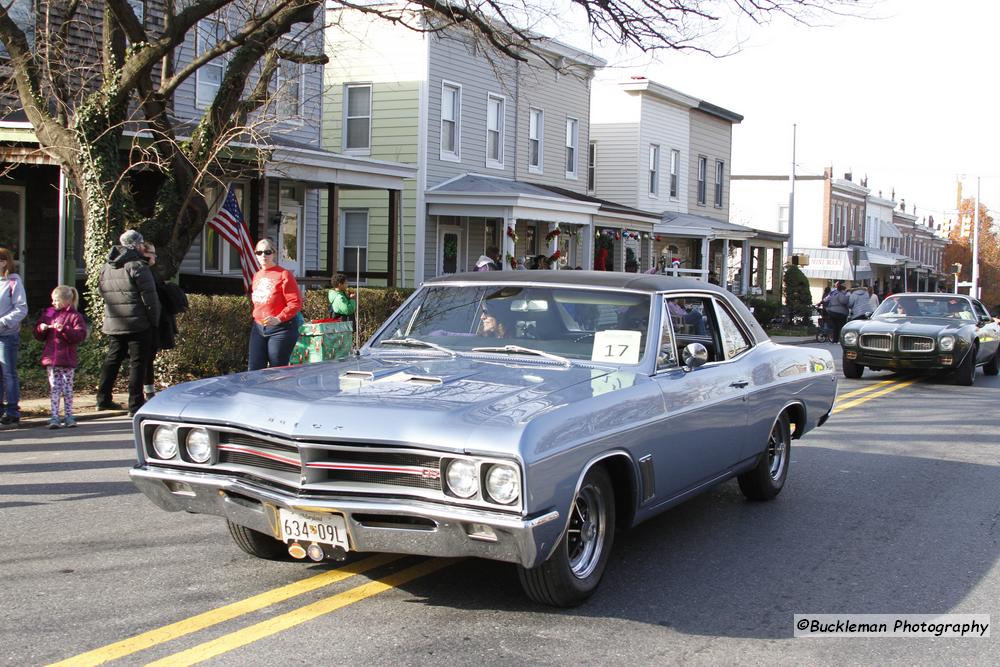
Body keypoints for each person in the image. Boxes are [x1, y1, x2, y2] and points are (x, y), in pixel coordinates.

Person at [97, 229, 161, 415]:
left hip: (114, 321)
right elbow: (150, 298)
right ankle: (135, 404)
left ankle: (103, 398)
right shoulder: (138, 266)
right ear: (136, 245)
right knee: (137, 363)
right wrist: (154, 321)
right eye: (141, 243)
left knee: (113, 359)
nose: (143, 246)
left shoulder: (107, 267)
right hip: (138, 323)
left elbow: (102, 291)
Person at [34, 285, 88, 428]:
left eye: (57, 301)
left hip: (67, 359)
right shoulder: (50, 313)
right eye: (53, 300)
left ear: (67, 301)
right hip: (52, 358)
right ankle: (54, 416)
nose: (53, 303)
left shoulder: (75, 316)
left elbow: (80, 335)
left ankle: (69, 415)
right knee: (54, 388)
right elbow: (38, 333)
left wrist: (64, 329)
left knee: (67, 388)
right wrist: (41, 328)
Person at [139, 243, 187, 400]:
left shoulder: (150, 272)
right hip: (149, 323)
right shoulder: (145, 272)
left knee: (147, 359)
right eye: (152, 253)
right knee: (144, 360)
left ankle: (148, 390)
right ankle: (145, 392)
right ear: (145, 254)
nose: (155, 257)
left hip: (154, 322)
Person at [249, 238, 302, 370]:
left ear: (274, 253)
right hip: (259, 328)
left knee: (277, 370)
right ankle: (256, 391)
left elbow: (295, 302)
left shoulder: (284, 274)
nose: (263, 256)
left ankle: (278, 391)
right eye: (259, 252)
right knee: (254, 369)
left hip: (282, 329)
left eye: (267, 252)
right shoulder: (257, 275)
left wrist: (278, 318)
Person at [0, 247, 28, 427]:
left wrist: (3, 322)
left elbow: (21, 308)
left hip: (6, 335)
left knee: (8, 373)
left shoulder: (13, 281)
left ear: (5, 262)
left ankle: (12, 411)